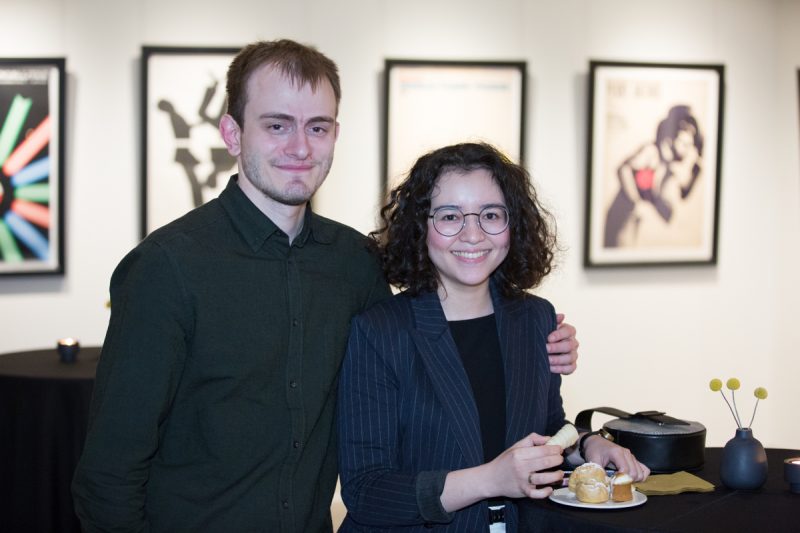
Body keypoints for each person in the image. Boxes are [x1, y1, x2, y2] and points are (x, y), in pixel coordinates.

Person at [71, 40, 580, 532]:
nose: (300, 147)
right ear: (232, 133)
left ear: (336, 134)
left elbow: (419, 358)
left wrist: (539, 343)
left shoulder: (355, 262)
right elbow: (109, 472)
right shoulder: (166, 267)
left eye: (317, 127)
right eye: (277, 125)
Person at [337, 143, 649, 532]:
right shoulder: (379, 332)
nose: (473, 235)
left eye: (490, 215)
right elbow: (367, 492)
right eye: (450, 216)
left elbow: (547, 429)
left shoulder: (535, 318)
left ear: (512, 223)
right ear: (420, 227)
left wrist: (585, 445)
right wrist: (489, 479)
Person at [604, 104, 704, 248]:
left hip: (643, 229)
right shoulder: (652, 152)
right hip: (623, 221)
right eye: (683, 144)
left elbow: (681, 197)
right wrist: (637, 201)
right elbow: (624, 169)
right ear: (672, 138)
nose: (685, 150)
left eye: (689, 145)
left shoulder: (672, 167)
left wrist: (695, 170)